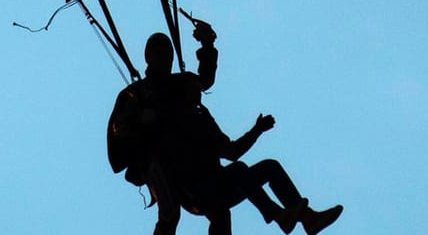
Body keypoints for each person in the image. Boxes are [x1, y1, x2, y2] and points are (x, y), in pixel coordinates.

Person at [110, 29, 343, 235]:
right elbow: (120, 131)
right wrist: (142, 122)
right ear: (149, 57)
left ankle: (307, 218)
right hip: (190, 189)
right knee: (235, 180)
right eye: (158, 53)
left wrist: (257, 130)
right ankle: (279, 216)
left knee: (264, 171)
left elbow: (231, 151)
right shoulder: (141, 96)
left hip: (216, 184)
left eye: (167, 53)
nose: (164, 58)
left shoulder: (200, 117)